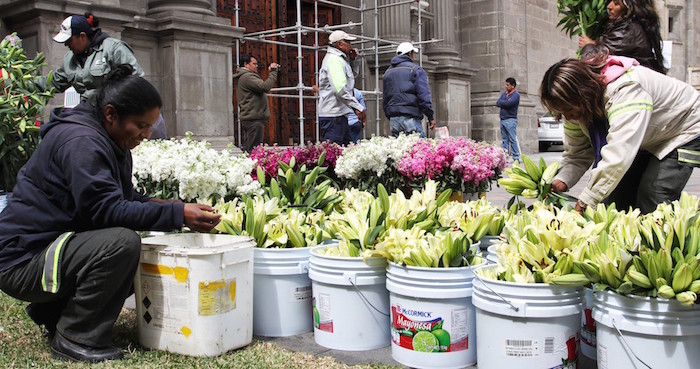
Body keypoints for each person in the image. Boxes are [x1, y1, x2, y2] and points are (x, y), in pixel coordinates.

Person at [0, 64, 221, 362]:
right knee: (121, 244)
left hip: (47, 249)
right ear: (110, 114)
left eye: (151, 126)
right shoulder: (82, 143)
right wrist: (178, 214)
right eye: (141, 125)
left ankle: (52, 312)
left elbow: (123, 199)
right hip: (21, 261)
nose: (147, 134)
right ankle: (75, 338)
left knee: (133, 248)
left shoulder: (109, 139)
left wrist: (173, 208)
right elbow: (105, 210)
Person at [540, 56, 700, 214]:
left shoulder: (626, 90)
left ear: (582, 94)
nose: (567, 117)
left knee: (653, 195)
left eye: (568, 111)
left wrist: (586, 201)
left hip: (683, 130)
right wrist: (560, 181)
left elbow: (618, 155)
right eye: (561, 113)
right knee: (613, 200)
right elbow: (578, 154)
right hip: (648, 136)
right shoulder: (575, 108)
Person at [38, 13, 145, 106]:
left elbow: (136, 81)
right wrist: (25, 84)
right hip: (87, 111)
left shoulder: (113, 49)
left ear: (82, 36)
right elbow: (54, 82)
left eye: (69, 40)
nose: (66, 44)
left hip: (113, 112)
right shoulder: (69, 59)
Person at [578, 0, 665, 73]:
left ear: (629, 8)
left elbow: (594, 61)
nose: (609, 6)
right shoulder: (632, 27)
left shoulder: (628, 30)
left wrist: (588, 45)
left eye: (616, 3)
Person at [318, 30, 366, 145]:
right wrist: (358, 107)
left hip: (339, 114)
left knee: (344, 153)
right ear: (339, 44)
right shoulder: (334, 60)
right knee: (333, 155)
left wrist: (353, 60)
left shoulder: (339, 59)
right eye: (348, 42)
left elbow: (350, 79)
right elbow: (340, 90)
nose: (350, 45)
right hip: (334, 116)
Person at [382, 42, 435, 138]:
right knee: (418, 150)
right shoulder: (416, 70)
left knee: (399, 151)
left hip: (394, 119)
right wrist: (430, 116)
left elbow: (385, 98)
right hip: (411, 117)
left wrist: (390, 114)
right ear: (410, 53)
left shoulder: (387, 73)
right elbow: (424, 97)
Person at [233, 53, 280, 152]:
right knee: (252, 150)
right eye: (254, 64)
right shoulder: (247, 77)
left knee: (252, 147)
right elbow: (265, 87)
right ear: (246, 64)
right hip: (253, 119)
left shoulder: (246, 76)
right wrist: (273, 72)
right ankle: (249, 166)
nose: (256, 66)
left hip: (252, 118)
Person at [496, 77, 521, 162]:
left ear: (513, 86)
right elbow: (497, 103)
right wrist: (504, 102)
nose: (506, 86)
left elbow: (509, 103)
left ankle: (516, 157)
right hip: (503, 119)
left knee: (512, 139)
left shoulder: (516, 95)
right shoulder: (504, 94)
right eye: (506, 85)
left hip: (510, 119)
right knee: (504, 139)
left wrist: (503, 102)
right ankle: (505, 157)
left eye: (508, 85)